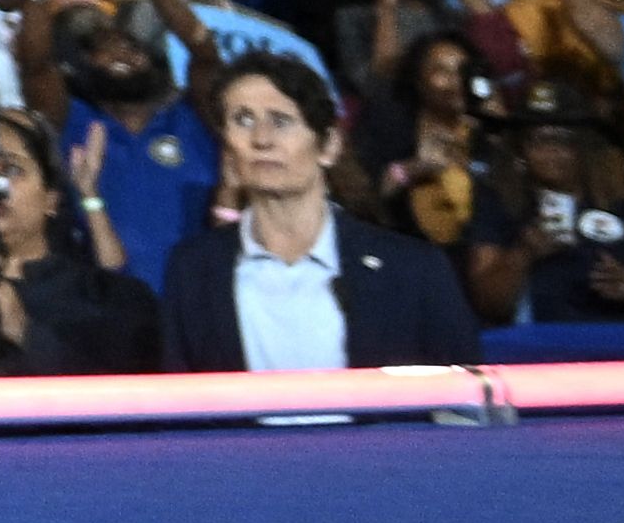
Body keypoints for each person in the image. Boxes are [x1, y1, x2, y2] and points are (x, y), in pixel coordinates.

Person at [157, 44, 455, 374]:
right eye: (242, 120)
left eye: (281, 121)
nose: (261, 139)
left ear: (329, 145)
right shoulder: (193, 271)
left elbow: (466, 406)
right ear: (226, 145)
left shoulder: (414, 269)